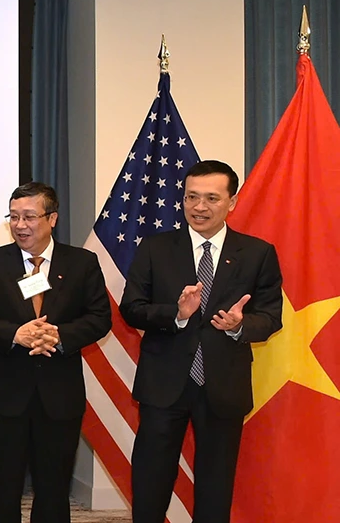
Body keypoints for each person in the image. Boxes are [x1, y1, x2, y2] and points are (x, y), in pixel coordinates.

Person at [121, 160, 283, 523]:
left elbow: (271, 316)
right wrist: (176, 314)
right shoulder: (156, 248)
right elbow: (131, 308)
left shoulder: (257, 253)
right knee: (151, 479)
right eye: (191, 197)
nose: (199, 207)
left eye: (211, 198)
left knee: (216, 483)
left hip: (223, 384)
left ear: (232, 202)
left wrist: (240, 326)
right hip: (163, 383)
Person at [0, 182, 112, 523]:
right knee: (1, 490)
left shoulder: (81, 262)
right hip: (3, 396)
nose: (20, 225)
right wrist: (16, 334)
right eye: (13, 217)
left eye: (29, 216)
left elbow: (100, 317)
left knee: (53, 491)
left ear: (52, 218)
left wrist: (59, 336)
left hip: (59, 396)